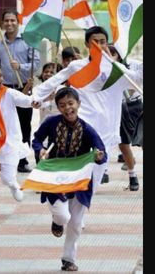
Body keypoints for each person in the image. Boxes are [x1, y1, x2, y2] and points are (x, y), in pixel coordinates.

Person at [32, 26, 143, 189]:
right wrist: (37, 96)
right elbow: (55, 80)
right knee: (76, 164)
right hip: (82, 123)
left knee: (95, 177)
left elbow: (137, 79)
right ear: (86, 44)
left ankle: (82, 196)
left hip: (106, 127)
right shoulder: (77, 66)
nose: (99, 45)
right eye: (94, 42)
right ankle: (65, 191)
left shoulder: (117, 69)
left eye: (102, 42)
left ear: (107, 44)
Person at [32, 87, 106, 272]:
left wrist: (98, 156)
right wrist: (40, 149)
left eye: (71, 103)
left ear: (78, 104)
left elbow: (101, 153)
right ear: (58, 107)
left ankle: (68, 259)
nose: (67, 108)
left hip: (79, 180)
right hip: (55, 176)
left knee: (75, 223)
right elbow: (37, 139)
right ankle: (57, 220)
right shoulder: (51, 122)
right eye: (62, 105)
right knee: (63, 216)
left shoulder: (87, 129)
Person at [0, 62, 40, 217]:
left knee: (7, 178)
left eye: (0, 75)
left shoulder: (9, 93)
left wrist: (33, 102)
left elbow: (26, 101)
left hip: (9, 144)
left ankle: (14, 185)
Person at [0, 10, 41, 173]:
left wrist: (20, 67)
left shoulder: (28, 41)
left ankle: (22, 159)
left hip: (23, 88)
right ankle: (5, 157)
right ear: (3, 22)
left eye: (13, 20)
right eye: (6, 21)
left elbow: (36, 65)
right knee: (5, 123)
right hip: (5, 89)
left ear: (18, 22)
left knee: (24, 124)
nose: (9, 23)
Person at [108, 45, 142, 191]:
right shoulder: (104, 69)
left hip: (136, 106)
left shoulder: (134, 64)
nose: (110, 56)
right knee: (123, 143)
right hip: (118, 107)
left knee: (142, 140)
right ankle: (132, 176)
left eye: (112, 53)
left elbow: (137, 80)